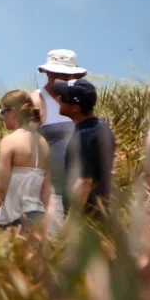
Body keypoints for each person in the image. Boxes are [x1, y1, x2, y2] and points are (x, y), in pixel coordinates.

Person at [31, 49, 86, 234]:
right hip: (51, 186)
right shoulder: (38, 98)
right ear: (47, 73)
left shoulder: (79, 98)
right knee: (53, 240)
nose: (58, 77)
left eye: (63, 73)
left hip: (82, 183)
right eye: (54, 73)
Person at [0, 90, 51, 231]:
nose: (2, 117)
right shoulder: (44, 143)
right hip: (37, 219)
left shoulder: (10, 141)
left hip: (12, 221)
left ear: (14, 112)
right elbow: (46, 191)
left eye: (2, 112)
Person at [57, 78, 116, 219]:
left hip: (86, 219)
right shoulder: (100, 128)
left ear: (76, 108)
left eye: (63, 98)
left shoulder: (86, 136)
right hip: (99, 213)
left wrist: (70, 224)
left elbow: (84, 182)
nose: (58, 99)